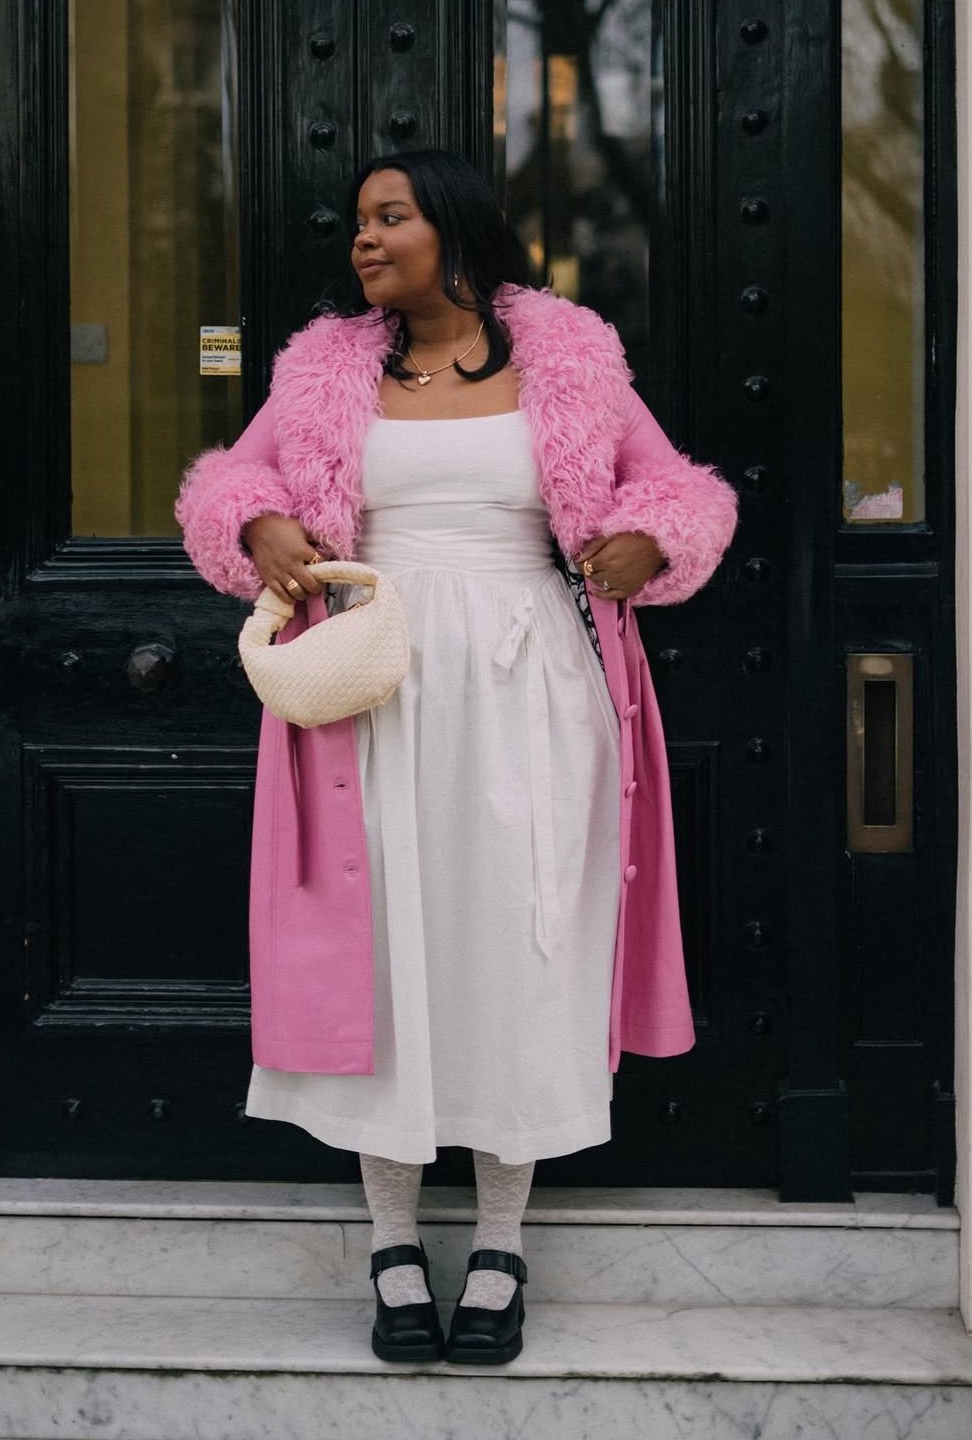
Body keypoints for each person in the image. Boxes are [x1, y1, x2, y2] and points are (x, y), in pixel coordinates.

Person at [176, 148, 737, 1366]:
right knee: (390, 953)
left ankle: (499, 1244)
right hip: (373, 683)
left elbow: (684, 490)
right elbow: (231, 479)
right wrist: (255, 517)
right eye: (360, 222)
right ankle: (390, 1241)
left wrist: (650, 538)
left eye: (392, 218)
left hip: (533, 685)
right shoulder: (325, 367)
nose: (365, 240)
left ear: (458, 231)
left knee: (517, 945)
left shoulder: (570, 357)